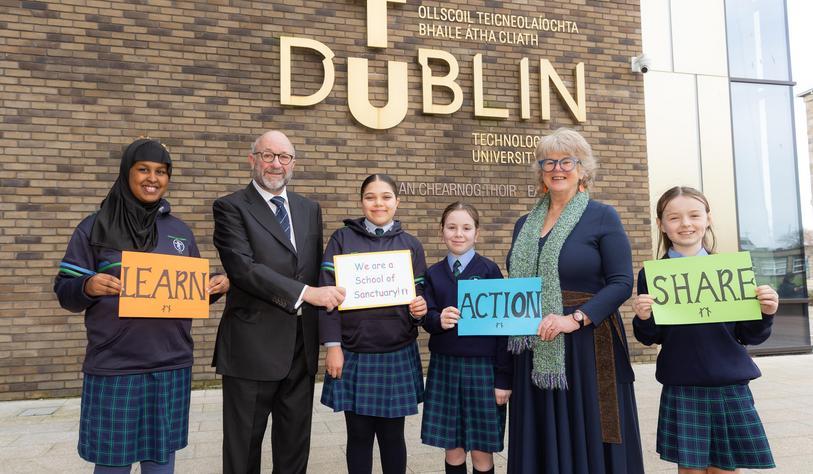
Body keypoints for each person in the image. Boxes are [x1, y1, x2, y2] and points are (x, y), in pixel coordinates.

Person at [54, 138, 229, 473]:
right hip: (116, 366)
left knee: (161, 461)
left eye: (161, 172)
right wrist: (87, 285)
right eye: (144, 169)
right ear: (127, 173)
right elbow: (65, 291)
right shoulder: (94, 227)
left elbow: (185, 297)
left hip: (170, 363)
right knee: (112, 465)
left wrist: (216, 287)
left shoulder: (178, 231)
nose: (153, 178)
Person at [506, 128, 644, 473]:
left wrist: (576, 318)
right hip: (534, 344)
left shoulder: (602, 216)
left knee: (588, 430)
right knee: (540, 431)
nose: (557, 168)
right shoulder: (524, 224)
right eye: (548, 161)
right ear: (540, 171)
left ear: (582, 169)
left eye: (567, 160)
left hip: (585, 344)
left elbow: (622, 282)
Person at [211, 130, 345, 474]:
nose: (276, 164)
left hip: (300, 351)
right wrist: (307, 295)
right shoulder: (230, 207)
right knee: (243, 453)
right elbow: (243, 268)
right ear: (252, 159)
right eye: (268, 155)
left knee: (294, 449)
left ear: (293, 163)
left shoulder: (308, 209)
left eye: (283, 157)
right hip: (251, 351)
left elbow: (315, 270)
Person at [632, 186, 777, 473]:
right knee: (690, 470)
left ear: (707, 219)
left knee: (725, 469)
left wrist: (766, 313)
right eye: (674, 218)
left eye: (694, 215)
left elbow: (750, 335)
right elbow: (650, 337)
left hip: (729, 382)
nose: (685, 224)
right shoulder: (651, 274)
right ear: (661, 224)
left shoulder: (731, 270)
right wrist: (643, 317)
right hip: (683, 381)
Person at [319, 174, 428, 474]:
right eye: (370, 197)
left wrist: (420, 310)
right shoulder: (342, 239)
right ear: (361, 201)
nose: (378, 203)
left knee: (393, 437)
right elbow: (327, 297)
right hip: (354, 353)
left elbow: (420, 296)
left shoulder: (411, 244)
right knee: (358, 436)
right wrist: (333, 346)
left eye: (386, 196)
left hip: (398, 352)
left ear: (397, 201)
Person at [419, 202, 511, 474]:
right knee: (453, 449)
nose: (459, 234)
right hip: (445, 368)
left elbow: (503, 330)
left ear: (477, 234)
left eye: (466, 228)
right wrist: (438, 320)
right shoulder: (433, 274)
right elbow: (427, 317)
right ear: (442, 232)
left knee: (482, 452)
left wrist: (503, 379)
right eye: (452, 227)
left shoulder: (489, 270)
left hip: (483, 370)